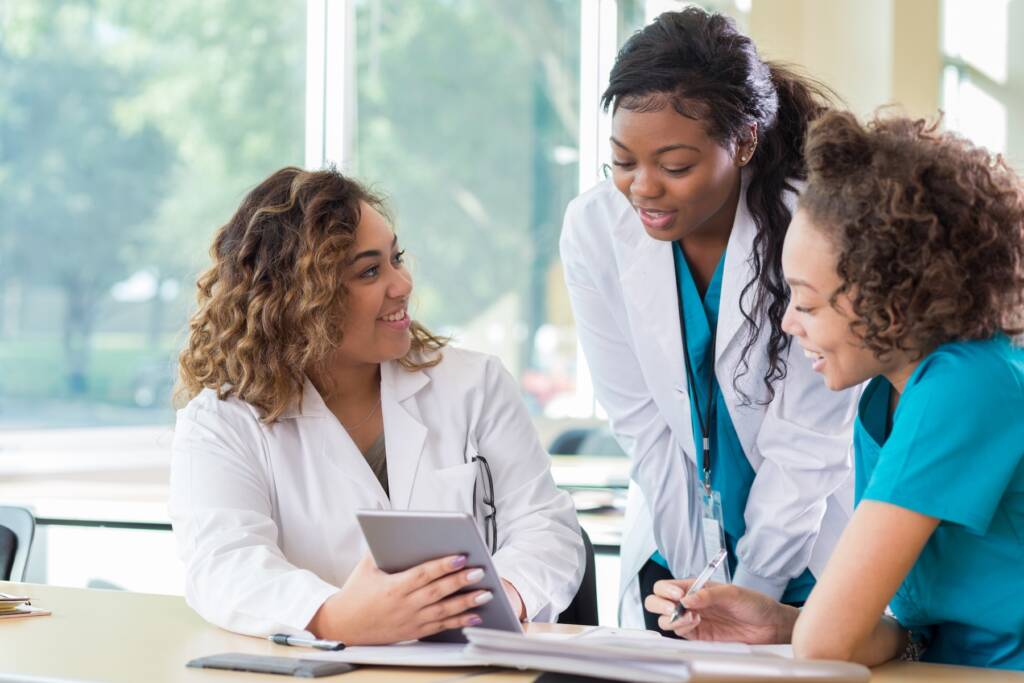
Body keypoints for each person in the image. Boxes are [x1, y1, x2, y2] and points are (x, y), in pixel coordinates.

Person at [645, 111, 1024, 669]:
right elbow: (914, 635)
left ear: (891, 298)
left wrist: (813, 630)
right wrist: (780, 623)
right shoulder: (885, 398)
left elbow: (827, 645)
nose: (788, 323)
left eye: (807, 301)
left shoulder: (966, 385)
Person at [170, 167, 584, 644]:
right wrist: (332, 617)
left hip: (474, 663)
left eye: (396, 258)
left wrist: (502, 595)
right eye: (370, 271)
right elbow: (222, 563)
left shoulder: (475, 384)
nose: (402, 283)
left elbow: (546, 525)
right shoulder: (223, 419)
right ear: (297, 299)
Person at [559, 7, 859, 630]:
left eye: (674, 166)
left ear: (744, 142)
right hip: (675, 560)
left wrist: (745, 596)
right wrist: (701, 588)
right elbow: (644, 426)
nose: (643, 189)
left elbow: (806, 447)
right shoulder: (595, 231)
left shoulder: (816, 228)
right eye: (622, 161)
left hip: (804, 555)